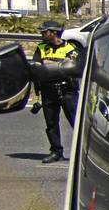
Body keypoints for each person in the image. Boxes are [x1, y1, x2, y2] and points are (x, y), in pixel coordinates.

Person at [31, 19, 81, 163]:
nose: (42, 34)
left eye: (45, 32)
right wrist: (58, 65)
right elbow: (37, 66)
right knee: (51, 124)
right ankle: (56, 151)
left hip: (67, 91)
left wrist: (49, 64)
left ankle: (83, 151)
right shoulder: (41, 48)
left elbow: (72, 67)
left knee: (75, 122)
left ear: (54, 33)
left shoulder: (70, 48)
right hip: (48, 90)